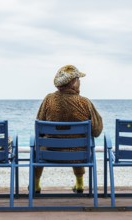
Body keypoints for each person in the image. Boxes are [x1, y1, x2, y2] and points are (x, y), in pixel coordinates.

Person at [35, 64, 103, 193]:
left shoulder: (48, 100)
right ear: (73, 82)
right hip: (78, 155)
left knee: (36, 144)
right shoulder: (84, 103)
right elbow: (97, 130)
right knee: (78, 142)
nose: (80, 83)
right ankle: (80, 183)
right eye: (79, 80)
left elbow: (40, 127)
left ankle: (35, 184)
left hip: (50, 154)